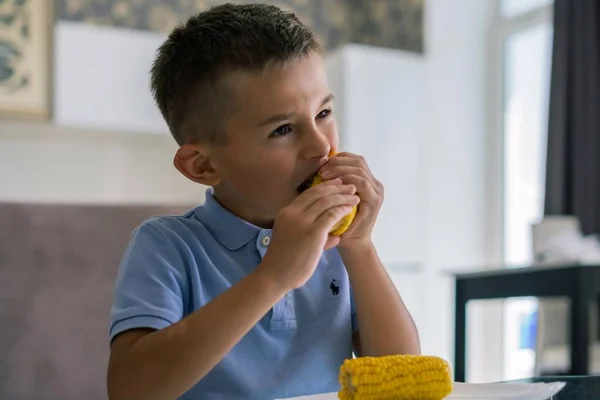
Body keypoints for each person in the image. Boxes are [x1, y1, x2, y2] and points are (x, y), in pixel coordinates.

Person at [106, 3, 420, 400]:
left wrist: (361, 246)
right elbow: (131, 389)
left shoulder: (338, 248)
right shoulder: (167, 246)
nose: (321, 145)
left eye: (323, 112)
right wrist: (273, 278)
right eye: (283, 129)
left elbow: (402, 379)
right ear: (203, 165)